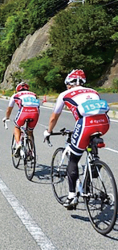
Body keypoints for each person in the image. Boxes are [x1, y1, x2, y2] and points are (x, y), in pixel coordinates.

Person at [43, 69, 110, 209]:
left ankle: (72, 196)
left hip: (85, 124)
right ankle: (93, 165)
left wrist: (48, 132)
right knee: (89, 145)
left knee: (74, 159)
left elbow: (54, 117)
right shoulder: (93, 92)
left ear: (68, 84)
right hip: (104, 123)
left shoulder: (64, 94)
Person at [2, 82, 40, 157]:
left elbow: (9, 109)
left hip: (24, 111)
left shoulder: (15, 95)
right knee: (30, 132)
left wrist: (7, 117)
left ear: (17, 89)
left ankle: (18, 143)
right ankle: (31, 151)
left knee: (16, 127)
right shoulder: (33, 94)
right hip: (35, 112)